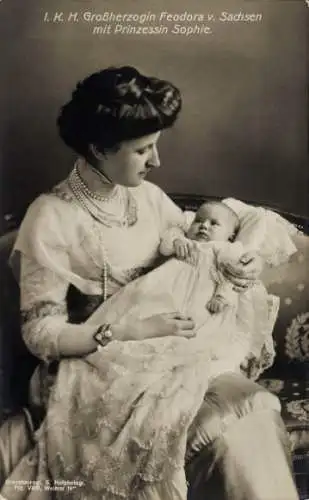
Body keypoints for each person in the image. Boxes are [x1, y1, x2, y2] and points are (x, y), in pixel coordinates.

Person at [1, 66, 298, 499]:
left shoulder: (148, 197)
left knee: (250, 414)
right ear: (100, 148)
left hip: (169, 356)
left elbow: (229, 224)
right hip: (94, 374)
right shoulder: (51, 217)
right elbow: (40, 333)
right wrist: (124, 331)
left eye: (155, 146)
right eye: (143, 150)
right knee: (229, 422)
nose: (156, 161)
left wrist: (245, 256)